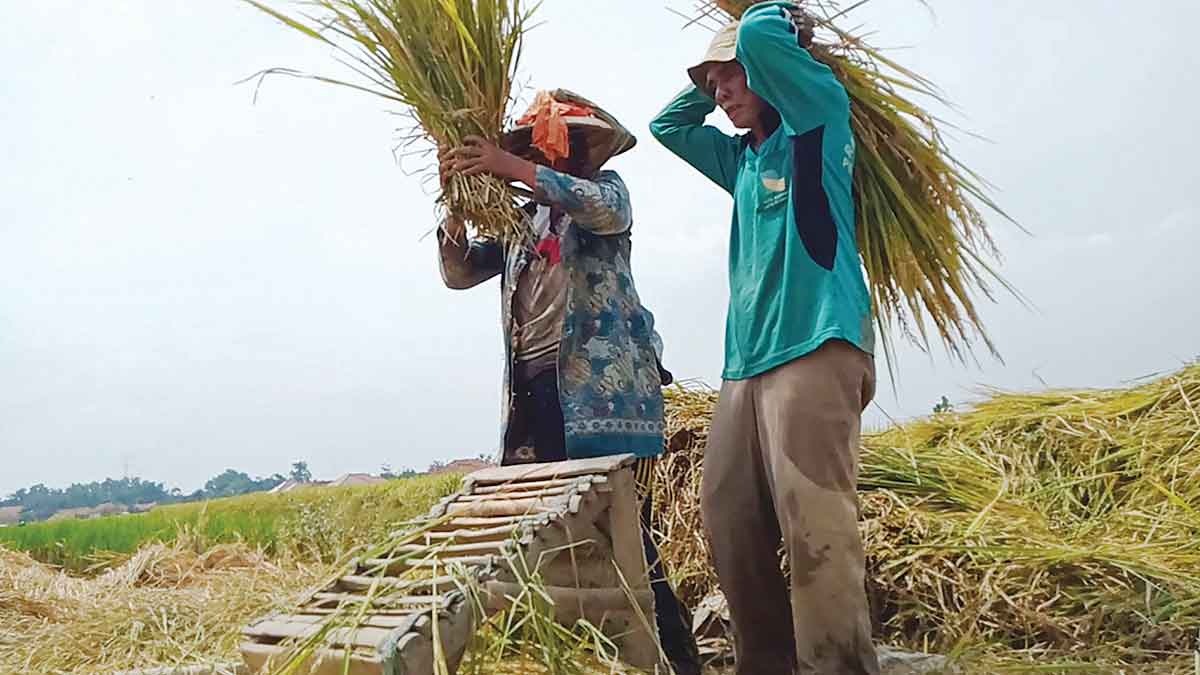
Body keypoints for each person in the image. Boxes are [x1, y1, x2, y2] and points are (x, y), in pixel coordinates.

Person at [437, 89, 702, 675]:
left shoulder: (605, 194)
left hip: (600, 396)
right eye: (540, 148)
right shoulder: (519, 222)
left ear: (585, 151)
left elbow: (606, 211)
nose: (554, 155)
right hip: (535, 394)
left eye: (562, 144)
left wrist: (512, 168)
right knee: (551, 534)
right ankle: (601, 656)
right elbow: (458, 273)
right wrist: (456, 207)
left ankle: (677, 659)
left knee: (623, 532)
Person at [649, 3, 880, 674]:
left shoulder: (815, 120)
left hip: (815, 345)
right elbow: (668, 125)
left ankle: (837, 664)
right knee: (728, 514)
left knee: (816, 527)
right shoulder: (742, 161)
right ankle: (768, 662)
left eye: (730, 78)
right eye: (711, 82)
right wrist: (712, 77)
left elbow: (759, 35)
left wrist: (769, 17)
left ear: (770, 70)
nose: (719, 93)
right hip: (744, 366)